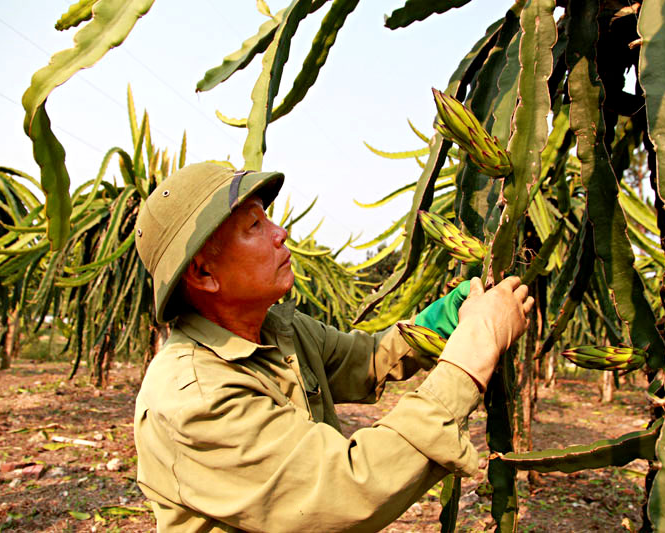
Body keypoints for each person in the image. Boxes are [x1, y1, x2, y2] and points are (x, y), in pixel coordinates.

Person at [133, 162, 534, 532]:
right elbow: (347, 490)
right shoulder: (195, 397)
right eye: (254, 225)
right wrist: (475, 347)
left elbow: (370, 358)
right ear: (203, 272)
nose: (280, 233)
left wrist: (447, 318)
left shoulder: (280, 332)